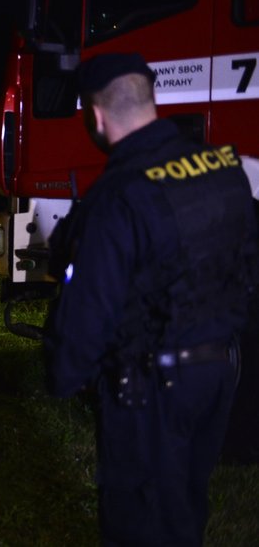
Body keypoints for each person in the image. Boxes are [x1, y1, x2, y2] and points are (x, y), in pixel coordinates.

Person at [43, 53, 259, 545]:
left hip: (151, 387)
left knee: (137, 520)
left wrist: (63, 375)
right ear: (150, 100)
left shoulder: (118, 196)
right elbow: (247, 262)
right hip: (220, 371)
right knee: (184, 502)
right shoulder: (221, 167)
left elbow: (89, 309)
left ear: (95, 116)